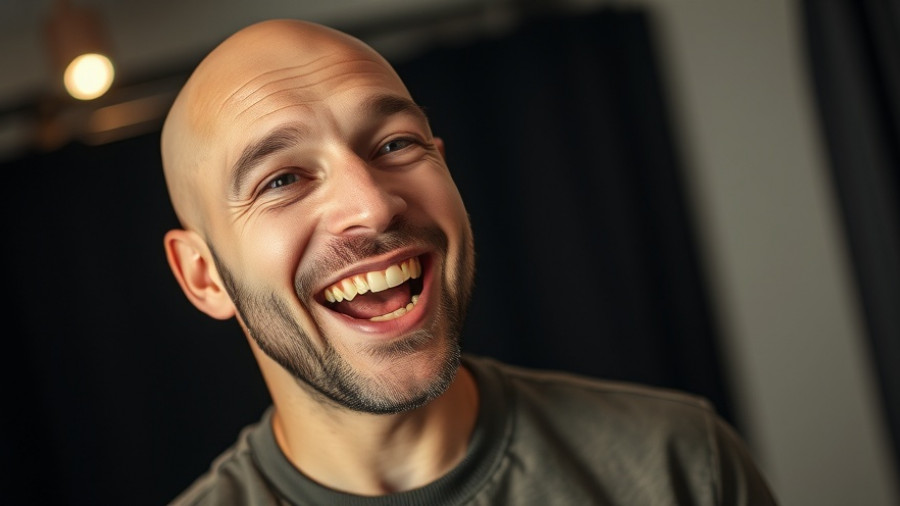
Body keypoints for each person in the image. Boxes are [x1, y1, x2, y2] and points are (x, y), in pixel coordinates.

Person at [160, 18, 778, 505]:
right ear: (203, 275)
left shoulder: (680, 464)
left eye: (397, 144)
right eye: (282, 180)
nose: (372, 206)